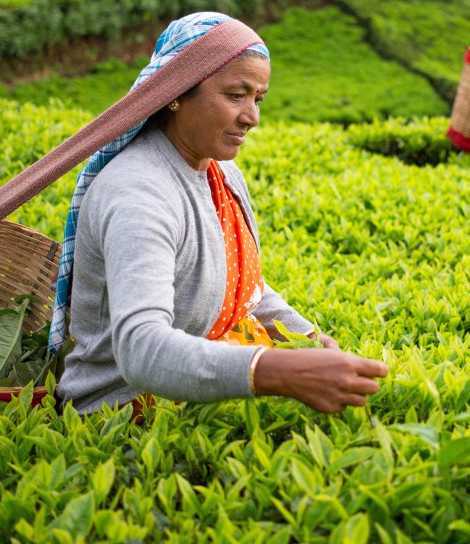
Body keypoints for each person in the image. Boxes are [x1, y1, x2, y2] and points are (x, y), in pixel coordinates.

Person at [49, 12, 388, 416]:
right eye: (236, 95)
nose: (252, 117)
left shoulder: (220, 171)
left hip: (203, 385)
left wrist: (307, 340)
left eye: (258, 99)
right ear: (175, 93)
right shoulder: (138, 193)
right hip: (127, 410)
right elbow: (141, 349)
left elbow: (241, 287)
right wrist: (278, 371)